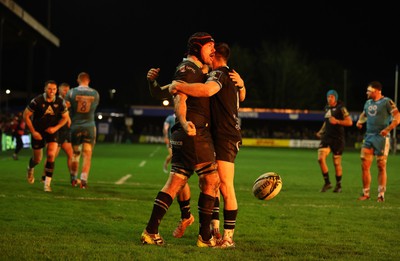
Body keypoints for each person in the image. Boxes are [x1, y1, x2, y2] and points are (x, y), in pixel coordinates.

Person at [141, 32, 219, 247]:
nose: (213, 50)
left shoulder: (191, 70)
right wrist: (185, 122)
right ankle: (205, 237)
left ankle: (151, 231)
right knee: (211, 181)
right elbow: (179, 97)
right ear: (196, 48)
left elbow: (161, 93)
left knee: (176, 181)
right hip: (193, 133)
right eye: (209, 46)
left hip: (186, 134)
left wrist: (152, 83)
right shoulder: (188, 69)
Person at [169, 42, 246, 248]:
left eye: (210, 54)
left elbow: (206, 90)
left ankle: (228, 238)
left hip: (226, 136)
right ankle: (214, 228)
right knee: (213, 183)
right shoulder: (223, 73)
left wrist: (178, 86)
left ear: (214, 57)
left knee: (225, 185)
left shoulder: (220, 74)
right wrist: (242, 85)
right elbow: (242, 95)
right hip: (215, 134)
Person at [356, 81, 400, 202]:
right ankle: (366, 193)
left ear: (376, 91)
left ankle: (381, 194)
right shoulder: (368, 102)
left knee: (381, 165)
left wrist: (388, 129)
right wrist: (360, 121)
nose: (367, 92)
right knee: (364, 164)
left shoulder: (387, 102)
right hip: (369, 137)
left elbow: (397, 117)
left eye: (369, 91)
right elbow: (364, 114)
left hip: (381, 138)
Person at [23, 80, 69, 192]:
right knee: (37, 159)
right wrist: (33, 132)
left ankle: (47, 184)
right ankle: (30, 168)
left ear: (56, 90)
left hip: (52, 131)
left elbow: (65, 117)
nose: (52, 91)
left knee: (51, 155)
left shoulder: (60, 101)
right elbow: (26, 115)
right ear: (45, 89)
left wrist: (55, 128)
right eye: (49, 89)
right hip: (38, 132)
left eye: (54, 89)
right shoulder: (37, 101)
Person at [64, 72, 100, 189]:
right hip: (89, 126)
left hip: (75, 126)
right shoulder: (95, 93)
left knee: (75, 154)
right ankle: (84, 180)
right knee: (87, 154)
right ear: (88, 80)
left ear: (78, 80)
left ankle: (74, 178)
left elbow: (65, 108)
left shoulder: (72, 92)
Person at [316, 90, 353, 193]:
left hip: (338, 139)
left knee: (336, 163)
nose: (329, 99)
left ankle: (338, 185)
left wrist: (337, 121)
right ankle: (327, 183)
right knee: (320, 158)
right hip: (327, 137)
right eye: (328, 97)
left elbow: (349, 122)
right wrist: (321, 131)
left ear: (335, 98)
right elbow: (327, 121)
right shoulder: (327, 108)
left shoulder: (342, 108)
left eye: (331, 97)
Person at [55, 82, 75, 186]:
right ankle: (45, 177)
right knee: (52, 156)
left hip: (66, 132)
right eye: (64, 90)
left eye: (68, 90)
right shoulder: (56, 100)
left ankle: (73, 177)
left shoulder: (68, 101)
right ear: (59, 91)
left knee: (71, 155)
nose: (67, 92)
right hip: (57, 131)